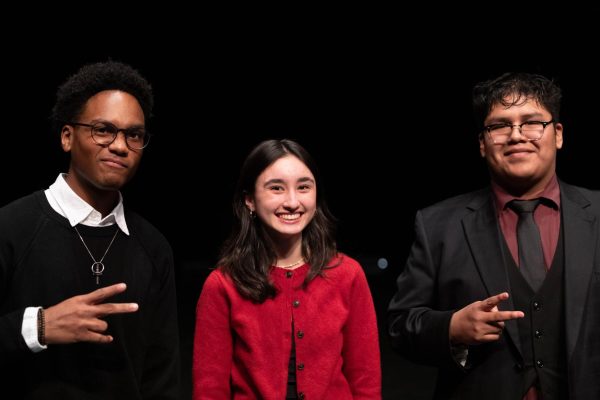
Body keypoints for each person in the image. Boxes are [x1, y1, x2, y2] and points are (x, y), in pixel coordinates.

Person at [387, 71, 600, 400]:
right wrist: (452, 329)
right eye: (500, 125)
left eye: (531, 122)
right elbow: (401, 325)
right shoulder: (438, 225)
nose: (516, 135)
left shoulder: (598, 215)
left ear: (557, 134)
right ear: (483, 144)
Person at [0, 61, 180, 399]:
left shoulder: (154, 248)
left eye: (134, 135)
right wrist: (38, 327)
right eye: (103, 130)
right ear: (67, 137)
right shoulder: (10, 227)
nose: (120, 146)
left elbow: (162, 378)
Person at [193, 139, 381, 399]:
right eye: (276, 188)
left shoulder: (348, 274)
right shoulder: (223, 284)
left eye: (304, 187)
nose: (293, 202)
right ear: (249, 200)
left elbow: (366, 383)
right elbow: (209, 390)